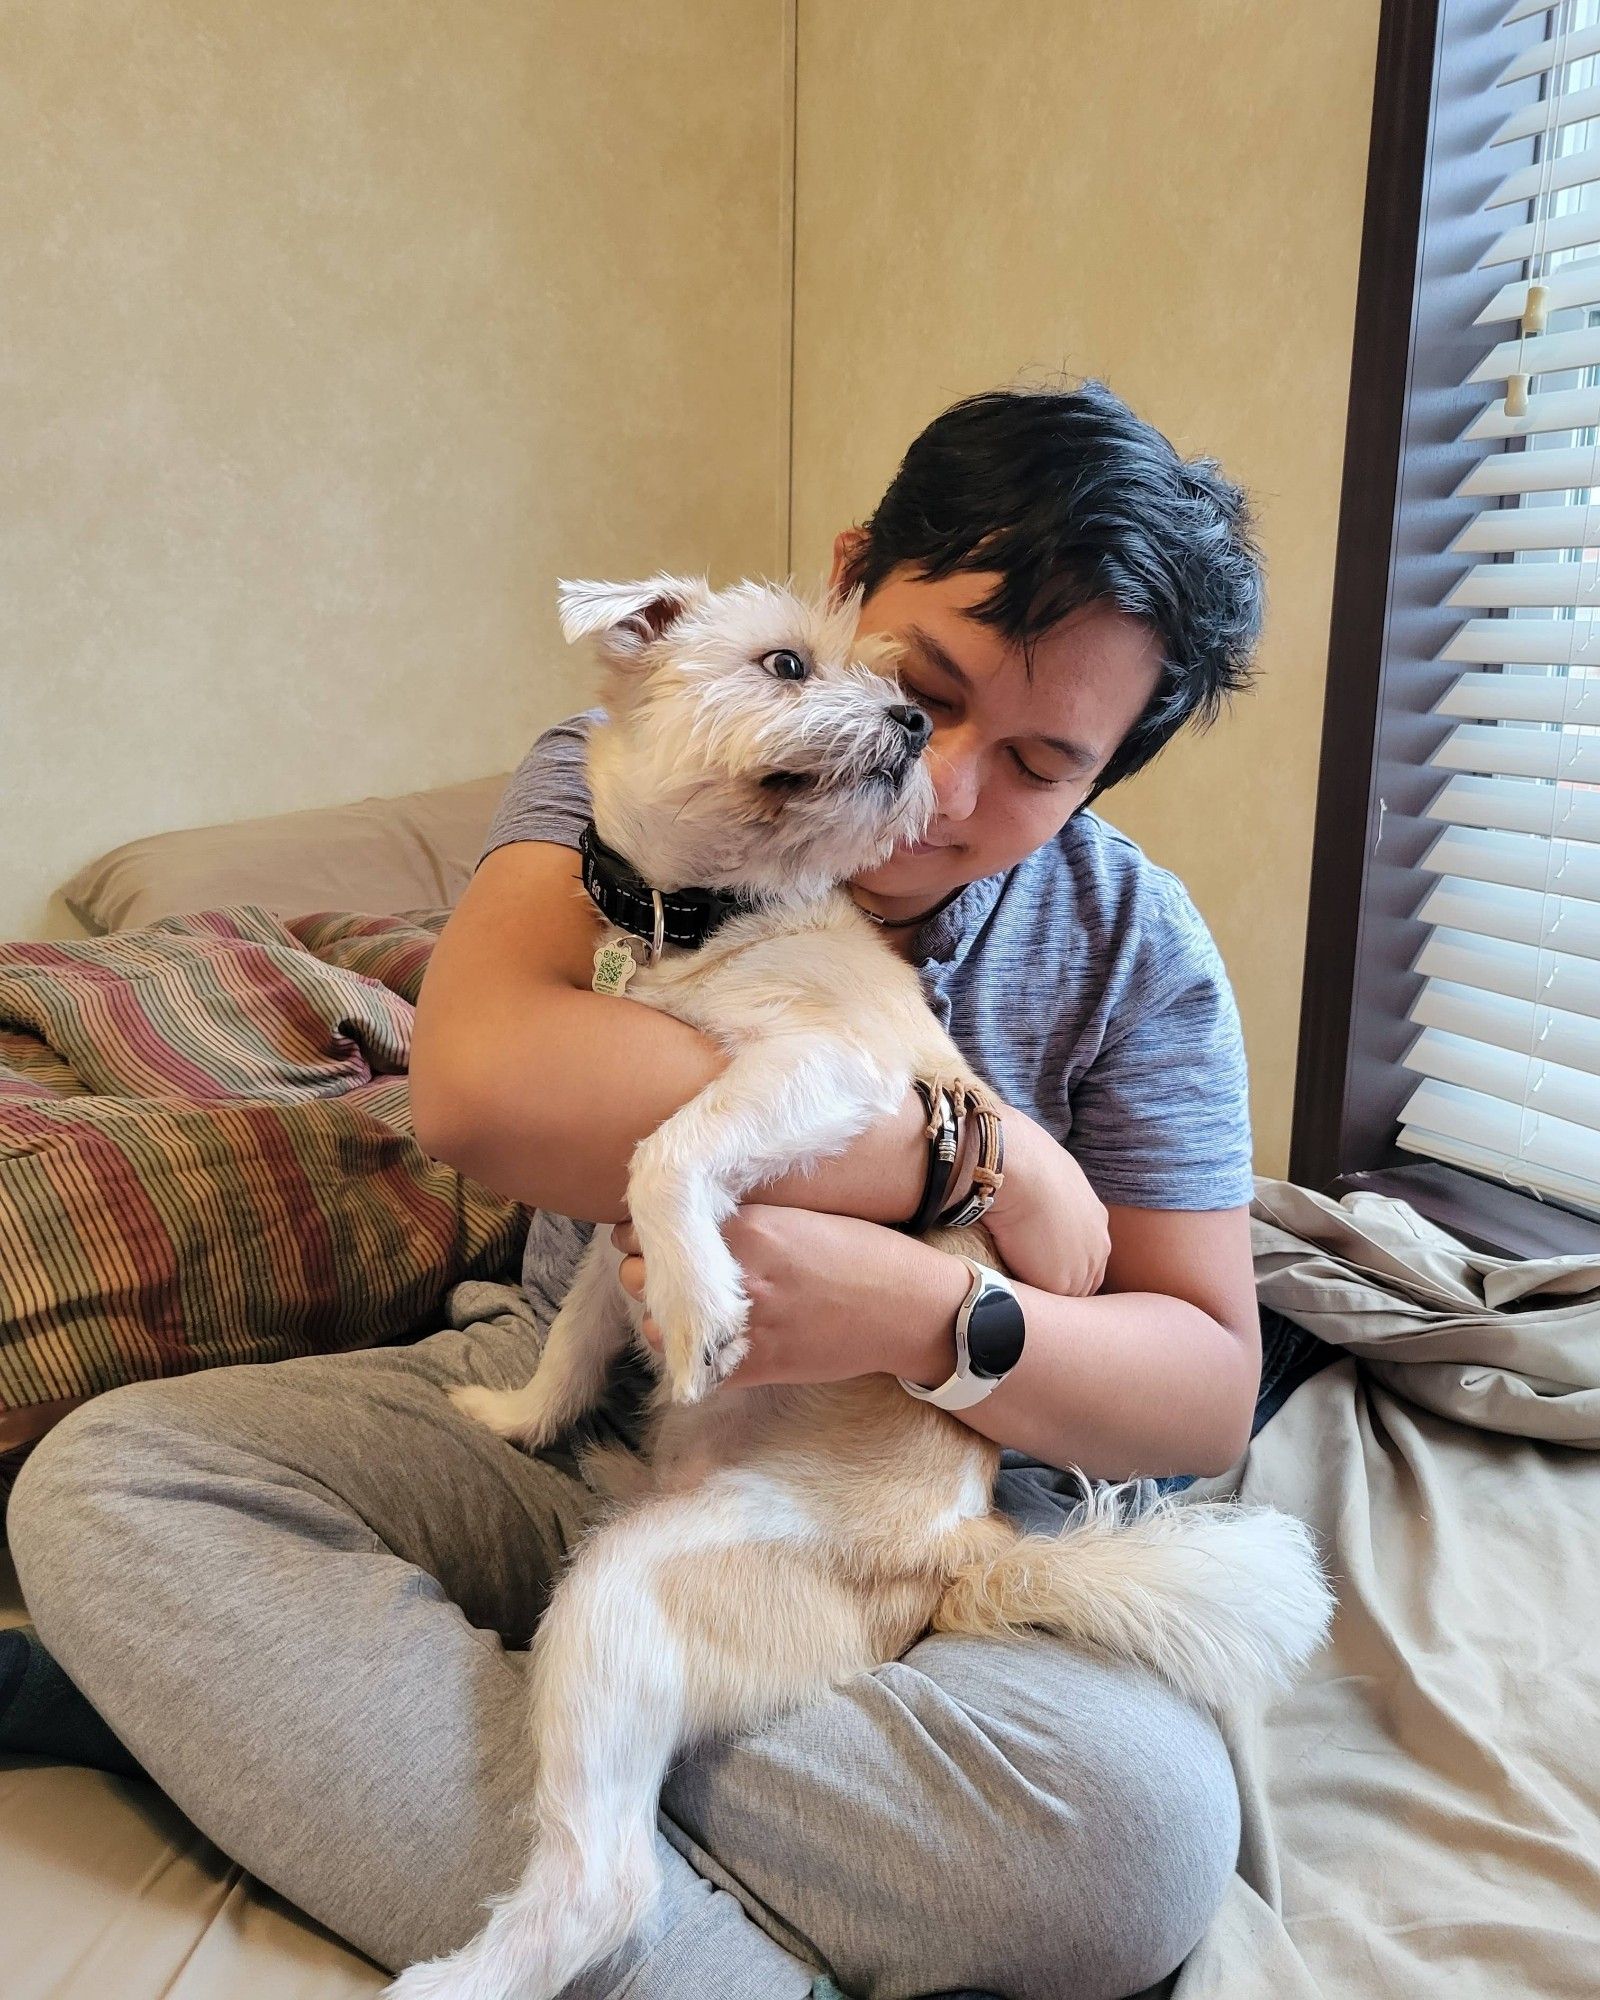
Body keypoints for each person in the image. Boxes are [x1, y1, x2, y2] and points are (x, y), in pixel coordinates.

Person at [9, 378, 1283, 2000]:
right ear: (844, 584)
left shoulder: (1137, 948)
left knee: (1135, 1834)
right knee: (112, 1487)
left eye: (1039, 762)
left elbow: (1201, 1396)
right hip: (570, 1379)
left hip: (881, 1509)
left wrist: (922, 1311)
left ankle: (446, 1743)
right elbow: (482, 1089)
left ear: (1103, 782)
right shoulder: (639, 766)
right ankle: (643, 1877)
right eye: (923, 685)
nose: (944, 785)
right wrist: (975, 1151)